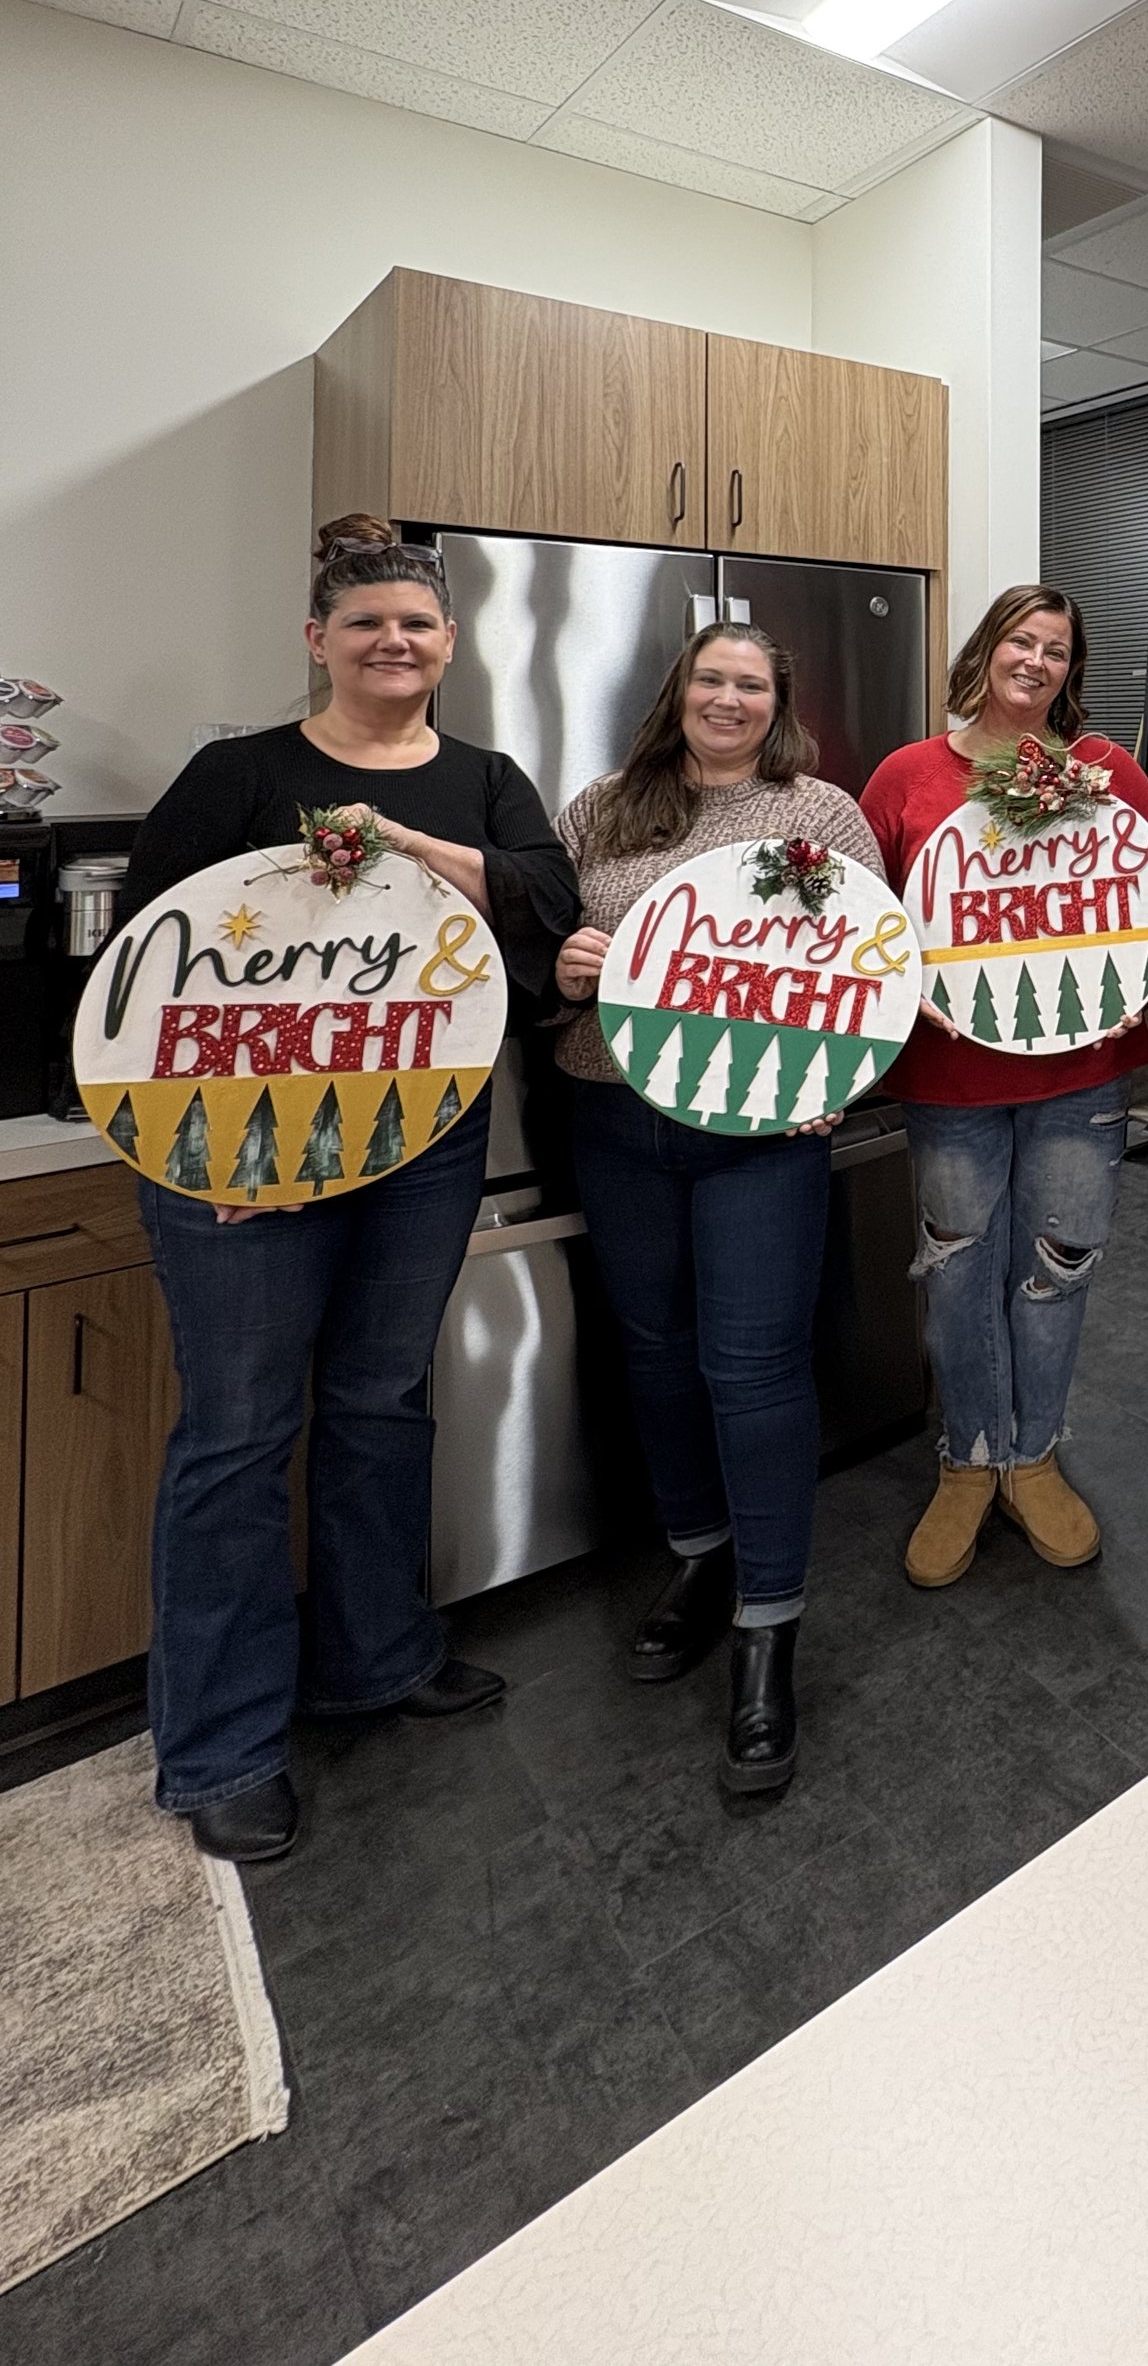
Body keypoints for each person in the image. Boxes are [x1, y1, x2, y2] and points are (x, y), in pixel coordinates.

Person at [121, 514, 578, 1865]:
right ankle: (221, 1746)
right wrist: (215, 1149)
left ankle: (377, 1657)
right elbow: (146, 970)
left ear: (450, 645)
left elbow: (547, 911)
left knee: (383, 1403)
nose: (396, 640)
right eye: (368, 622)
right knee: (240, 1435)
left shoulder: (488, 780)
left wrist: (408, 842)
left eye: (419, 624)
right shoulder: (239, 774)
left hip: (426, 1142)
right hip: (244, 1158)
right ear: (318, 641)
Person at [552, 624, 882, 1799]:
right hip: (616, 1120)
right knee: (654, 1355)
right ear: (679, 693)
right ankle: (698, 1560)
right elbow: (545, 945)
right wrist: (566, 968)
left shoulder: (823, 816)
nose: (728, 698)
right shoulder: (601, 808)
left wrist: (830, 1079)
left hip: (761, 1139)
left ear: (777, 701)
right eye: (711, 679)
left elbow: (874, 970)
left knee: (753, 1371)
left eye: (751, 683)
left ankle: (766, 1629)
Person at [860, 586, 1148, 1591]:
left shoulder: (1107, 773)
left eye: (1055, 648)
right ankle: (968, 1458)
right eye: (1019, 641)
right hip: (951, 1076)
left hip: (1080, 1075)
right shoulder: (908, 776)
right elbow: (862, 927)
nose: (1034, 660)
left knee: (1059, 1266)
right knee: (956, 1271)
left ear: (1071, 669)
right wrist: (905, 986)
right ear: (986, 651)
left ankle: (1033, 1454)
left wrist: (1141, 981)